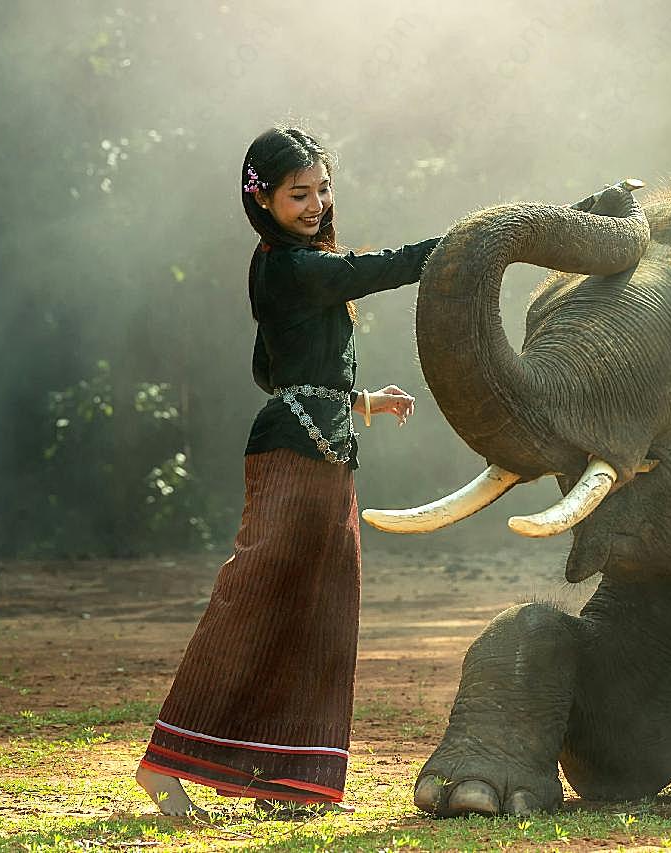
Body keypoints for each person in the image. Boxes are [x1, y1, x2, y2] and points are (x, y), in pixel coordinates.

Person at [134, 126, 441, 817]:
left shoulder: (293, 267)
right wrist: (468, 244)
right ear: (262, 199)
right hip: (292, 454)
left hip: (324, 451)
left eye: (322, 188)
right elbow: (380, 268)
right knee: (251, 601)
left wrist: (356, 399)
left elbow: (268, 366)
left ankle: (287, 780)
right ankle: (163, 764)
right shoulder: (289, 267)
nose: (315, 203)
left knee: (323, 613)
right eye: (298, 193)